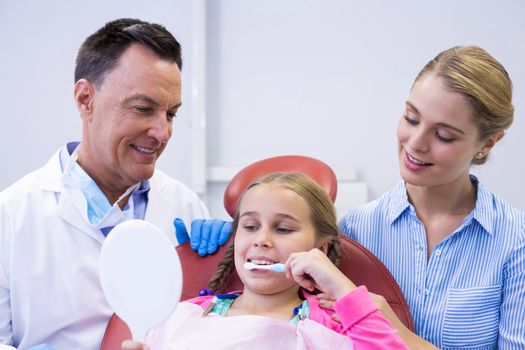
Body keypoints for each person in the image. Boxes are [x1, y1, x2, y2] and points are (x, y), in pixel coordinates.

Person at [0, 18, 231, 350]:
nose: (162, 133)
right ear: (85, 99)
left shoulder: (186, 207)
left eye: (170, 114)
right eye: (143, 108)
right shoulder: (11, 216)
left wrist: (224, 272)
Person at [339, 46, 525, 349]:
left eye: (443, 136)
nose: (415, 143)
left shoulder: (516, 241)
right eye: (411, 118)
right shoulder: (356, 230)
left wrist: (393, 328)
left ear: (487, 144)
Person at [122, 172, 408, 350]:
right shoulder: (183, 316)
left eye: (283, 229)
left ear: (319, 248)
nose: (262, 239)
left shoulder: (332, 324)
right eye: (249, 226)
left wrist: (343, 289)